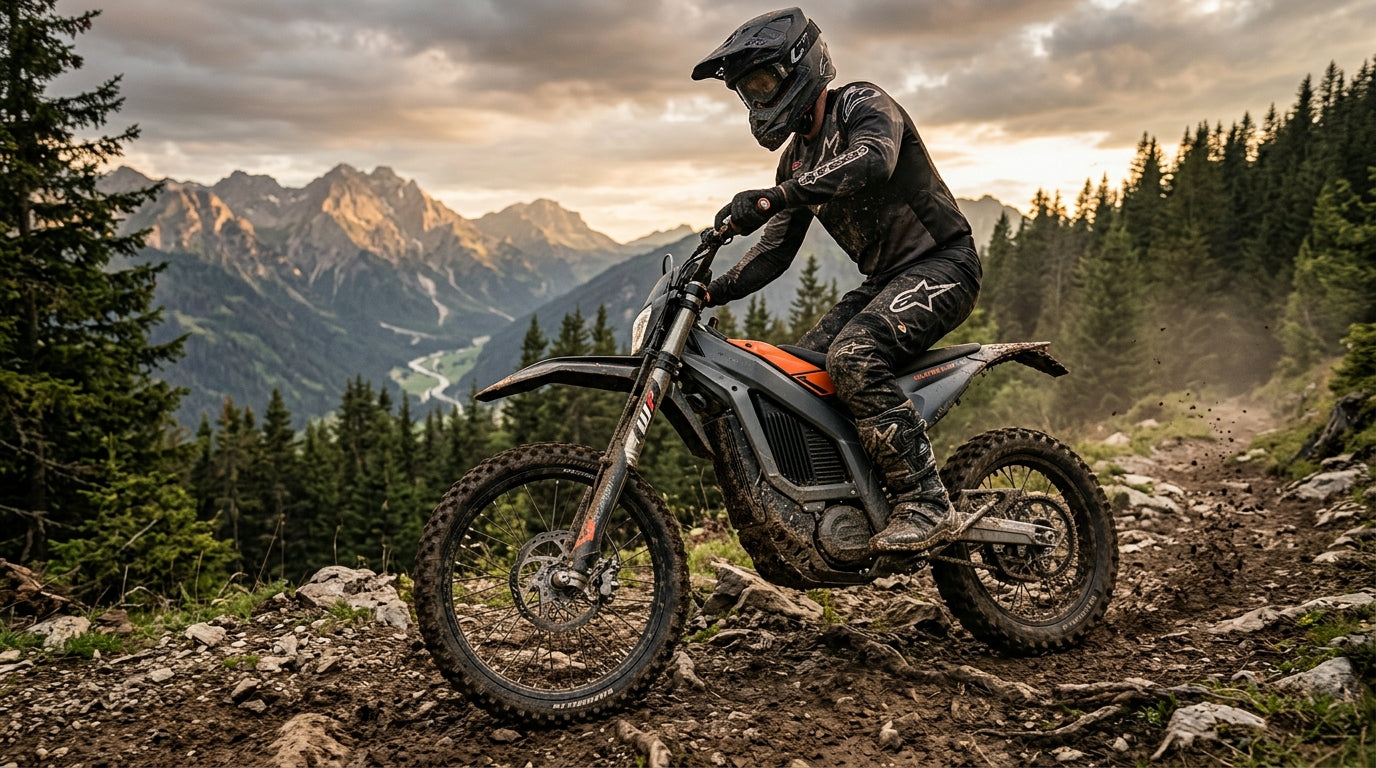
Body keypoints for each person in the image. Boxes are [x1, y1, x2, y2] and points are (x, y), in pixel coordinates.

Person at [693, 8, 982, 553]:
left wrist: (774, 196)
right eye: (747, 91)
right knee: (793, 376)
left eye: (762, 83)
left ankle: (926, 501)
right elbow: (775, 252)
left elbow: (873, 160)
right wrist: (711, 290)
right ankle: (848, 501)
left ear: (799, 65)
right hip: (885, 281)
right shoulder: (795, 159)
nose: (757, 100)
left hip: (945, 263)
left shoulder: (862, 103)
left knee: (852, 357)